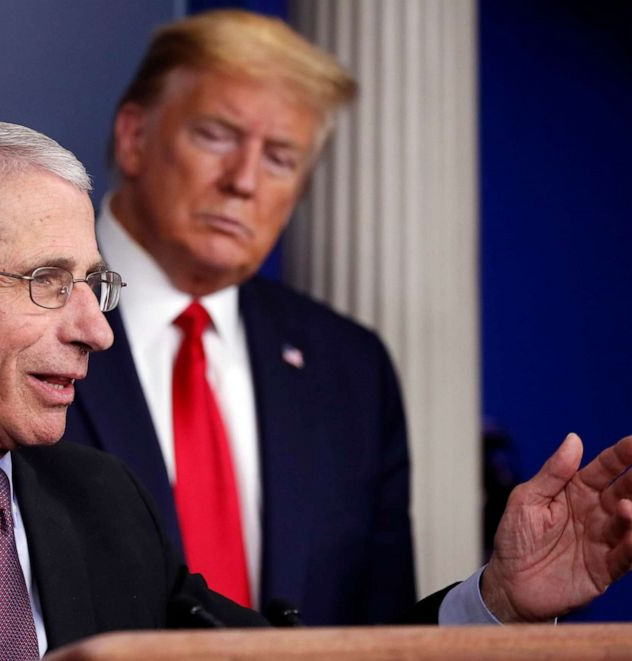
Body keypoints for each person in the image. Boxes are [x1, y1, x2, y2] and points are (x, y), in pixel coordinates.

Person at [0, 116, 631, 661]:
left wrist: (493, 602)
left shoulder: (98, 499)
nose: (95, 328)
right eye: (47, 284)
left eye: (96, 285)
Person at [59, 7, 623, 625]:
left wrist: (499, 603)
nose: (243, 180)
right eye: (216, 135)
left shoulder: (349, 370)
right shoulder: (26, 313)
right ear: (134, 136)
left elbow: (375, 637)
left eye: (279, 157)